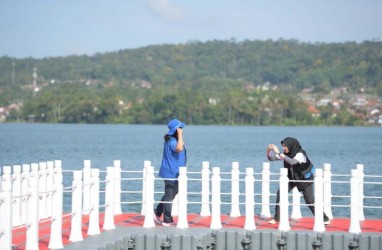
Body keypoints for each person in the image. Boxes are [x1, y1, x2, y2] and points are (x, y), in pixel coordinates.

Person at [266, 137, 330, 225]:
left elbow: (292, 162)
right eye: (283, 146)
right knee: (280, 193)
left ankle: (324, 218)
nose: (284, 148)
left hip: (304, 179)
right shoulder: (285, 154)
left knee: (309, 200)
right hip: (292, 178)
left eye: (285, 146)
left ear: (291, 145)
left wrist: (279, 153)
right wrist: (269, 150)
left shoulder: (300, 154)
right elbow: (271, 158)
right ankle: (277, 218)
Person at [154, 118, 187, 226]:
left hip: (176, 172)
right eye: (180, 128)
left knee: (171, 194)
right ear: (176, 130)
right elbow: (179, 149)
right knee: (169, 195)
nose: (181, 130)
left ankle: (157, 211)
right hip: (170, 172)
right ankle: (167, 219)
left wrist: (180, 137)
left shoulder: (172, 140)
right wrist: (180, 135)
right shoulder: (172, 141)